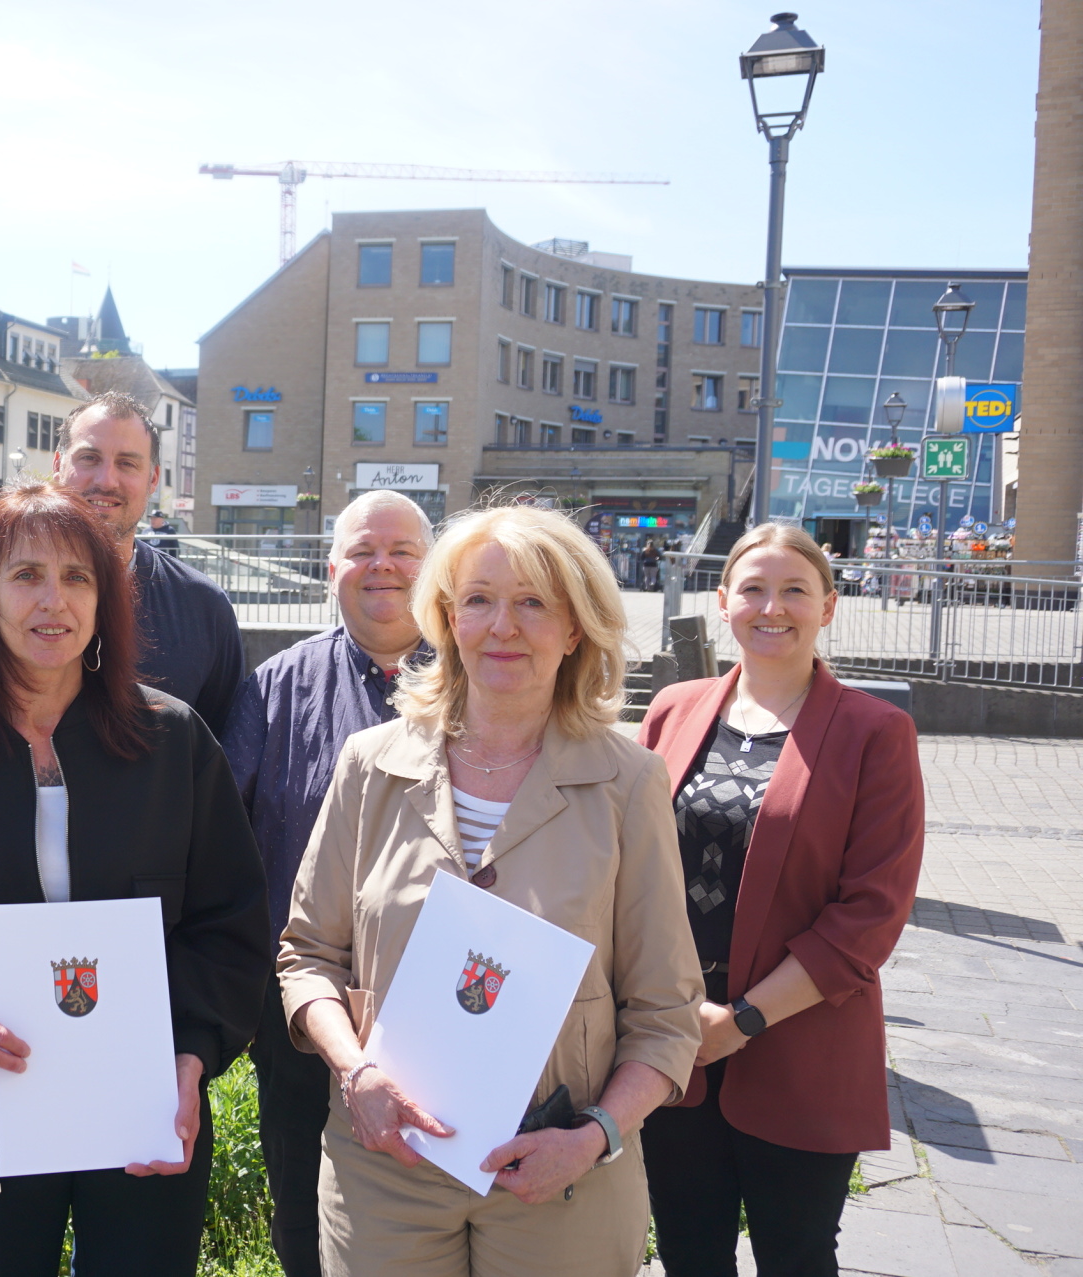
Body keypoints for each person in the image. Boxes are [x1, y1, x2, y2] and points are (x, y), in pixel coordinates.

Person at [0, 483, 270, 1276]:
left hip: (147, 1098)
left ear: (104, 601)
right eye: (26, 575)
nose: (52, 600)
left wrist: (191, 1054)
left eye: (76, 577)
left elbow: (230, 922)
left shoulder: (174, 742)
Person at [278, 504, 703, 1277]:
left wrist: (596, 1136)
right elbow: (307, 956)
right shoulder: (370, 763)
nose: (503, 625)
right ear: (447, 619)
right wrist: (356, 1070)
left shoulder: (629, 781)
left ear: (574, 628)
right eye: (478, 599)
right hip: (388, 1162)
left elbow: (666, 1012)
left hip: (563, 1172)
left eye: (533, 601)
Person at [637, 523, 925, 1277]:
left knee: (796, 1257)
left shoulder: (875, 733)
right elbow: (626, 866)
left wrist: (742, 1020)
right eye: (754, 589)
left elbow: (871, 915)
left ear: (828, 606)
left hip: (800, 1046)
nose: (773, 607)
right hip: (673, 1043)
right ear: (723, 600)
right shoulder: (673, 710)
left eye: (795, 590)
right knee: (687, 1253)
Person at [220, 490, 435, 1277]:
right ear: (331, 568)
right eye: (363, 551)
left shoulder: (485, 677)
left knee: (435, 1210)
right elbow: (222, 843)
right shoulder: (275, 686)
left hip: (447, 1008)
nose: (383, 566)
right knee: (303, 1215)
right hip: (305, 1018)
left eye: (403, 551)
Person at [0, 390, 244, 735]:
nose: (106, 480)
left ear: (153, 479)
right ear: (58, 466)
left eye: (127, 463)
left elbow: (221, 751)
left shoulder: (203, 605)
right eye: (89, 458)